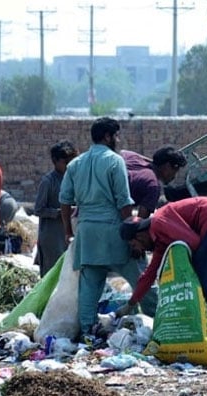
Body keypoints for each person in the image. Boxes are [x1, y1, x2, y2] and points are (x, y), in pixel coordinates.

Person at [59, 117, 156, 341]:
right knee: (142, 278)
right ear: (107, 137)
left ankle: (87, 332)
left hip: (87, 233)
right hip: (114, 231)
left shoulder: (75, 164)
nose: (118, 140)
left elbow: (64, 201)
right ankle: (160, 319)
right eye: (116, 135)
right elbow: (124, 201)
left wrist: (69, 231)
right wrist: (133, 235)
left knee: (90, 287)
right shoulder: (115, 161)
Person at [117, 196, 207, 330]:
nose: (138, 249)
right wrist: (130, 304)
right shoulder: (159, 241)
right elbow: (149, 275)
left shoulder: (159, 222)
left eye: (135, 245)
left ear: (140, 236)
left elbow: (193, 243)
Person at [34, 140, 78, 277]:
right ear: (55, 161)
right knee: (51, 275)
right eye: (66, 163)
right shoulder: (48, 181)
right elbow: (38, 209)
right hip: (52, 238)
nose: (69, 166)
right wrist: (60, 212)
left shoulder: (73, 179)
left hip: (69, 234)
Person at [120, 145, 187, 218]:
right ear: (167, 167)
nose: (174, 176)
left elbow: (123, 152)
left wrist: (156, 162)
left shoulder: (131, 157)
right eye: (175, 171)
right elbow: (141, 221)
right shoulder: (153, 186)